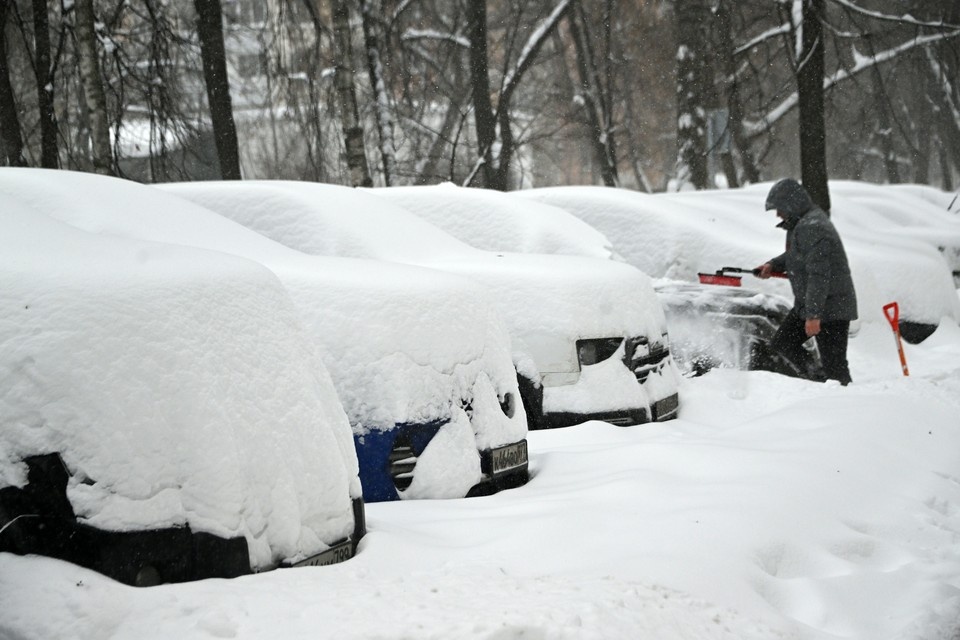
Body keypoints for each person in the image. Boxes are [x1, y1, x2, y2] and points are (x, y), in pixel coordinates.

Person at [755, 178, 857, 385]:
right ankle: (819, 380)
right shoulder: (804, 224)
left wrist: (813, 316)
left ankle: (844, 396)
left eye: (780, 208)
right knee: (784, 343)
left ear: (792, 204)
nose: (778, 214)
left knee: (835, 367)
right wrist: (773, 265)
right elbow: (797, 255)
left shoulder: (813, 227)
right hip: (812, 304)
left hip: (830, 307)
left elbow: (818, 275)